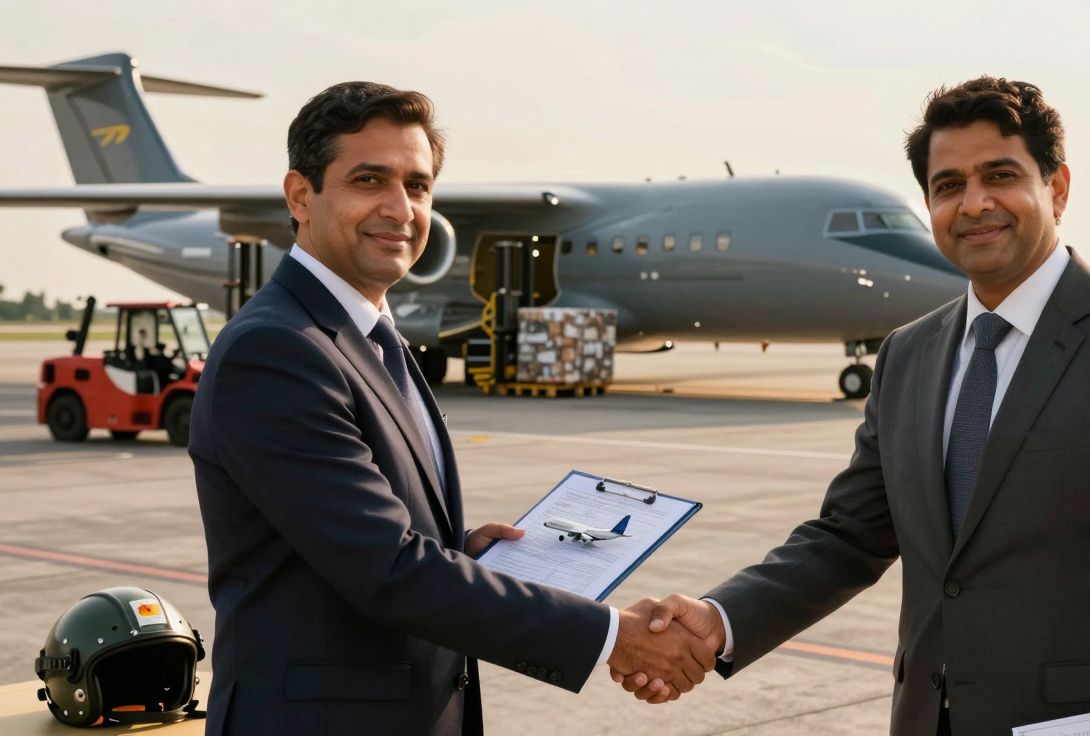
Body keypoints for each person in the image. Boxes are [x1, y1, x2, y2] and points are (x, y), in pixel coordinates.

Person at [617, 77, 1090, 734]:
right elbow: (848, 538)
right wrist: (720, 621)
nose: (973, 204)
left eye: (999, 176)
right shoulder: (908, 356)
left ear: (1057, 188)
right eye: (949, 186)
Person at [189, 82, 713, 736]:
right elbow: (388, 570)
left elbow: (355, 543)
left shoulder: (373, 337)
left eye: (418, 185)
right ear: (301, 195)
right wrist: (612, 636)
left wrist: (463, 553)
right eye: (369, 180)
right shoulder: (278, 349)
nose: (400, 208)